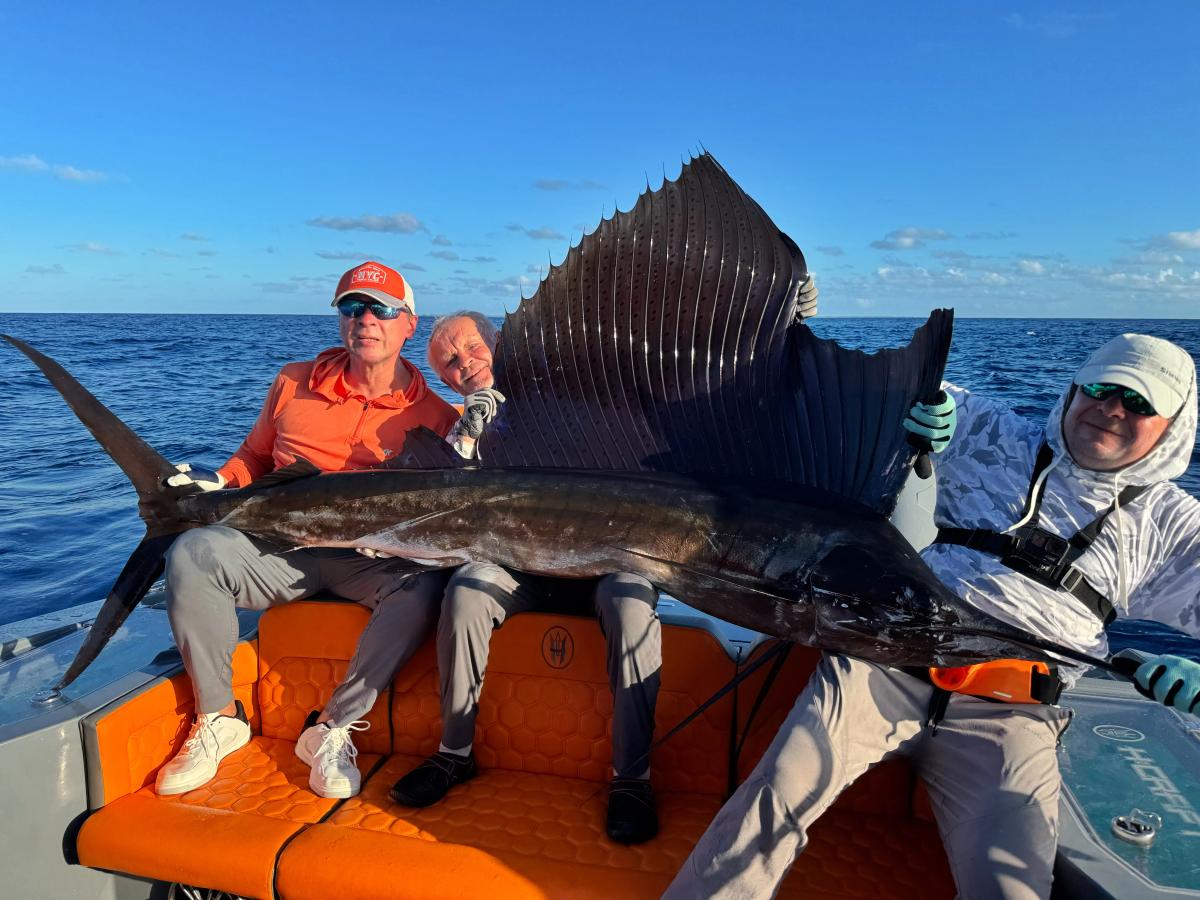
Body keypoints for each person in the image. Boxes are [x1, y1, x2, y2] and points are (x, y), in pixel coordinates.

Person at [666, 332, 1200, 899]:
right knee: (768, 807)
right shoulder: (992, 431)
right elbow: (871, 391)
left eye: (1139, 403)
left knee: (1011, 889)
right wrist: (905, 406)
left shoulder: (1173, 526)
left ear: (1173, 426)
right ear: (1072, 391)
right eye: (1100, 388)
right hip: (884, 661)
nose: (1112, 408)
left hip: (1010, 712)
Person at [154, 261, 459, 799]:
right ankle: (219, 718)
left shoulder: (435, 415)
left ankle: (331, 728)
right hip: (278, 547)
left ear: (408, 323)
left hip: (371, 560)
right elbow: (254, 456)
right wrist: (217, 481)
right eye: (351, 307)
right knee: (193, 552)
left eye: (381, 309)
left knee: (425, 587)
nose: (365, 319)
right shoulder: (293, 380)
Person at [385, 311, 665, 845]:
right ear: (442, 379)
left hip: (606, 564)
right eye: (448, 361)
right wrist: (469, 440)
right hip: (519, 567)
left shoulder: (566, 390)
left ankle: (633, 779)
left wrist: (788, 314)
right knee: (466, 591)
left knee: (633, 606)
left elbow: (670, 366)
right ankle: (454, 754)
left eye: (471, 348)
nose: (464, 364)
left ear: (497, 344)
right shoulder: (460, 425)